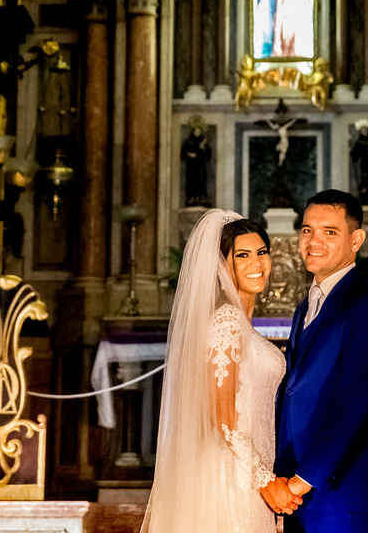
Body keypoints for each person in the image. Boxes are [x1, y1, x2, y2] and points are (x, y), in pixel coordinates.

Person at [142, 210, 299, 533]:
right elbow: (223, 415)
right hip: (230, 477)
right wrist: (264, 480)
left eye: (262, 252)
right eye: (243, 255)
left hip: (246, 472)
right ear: (221, 264)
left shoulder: (239, 323)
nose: (257, 264)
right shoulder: (225, 322)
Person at [275, 189, 368, 533]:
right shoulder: (305, 306)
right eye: (307, 230)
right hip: (301, 496)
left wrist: (301, 482)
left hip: (338, 494)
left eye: (330, 232)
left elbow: (356, 401)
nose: (314, 240)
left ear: (356, 239)